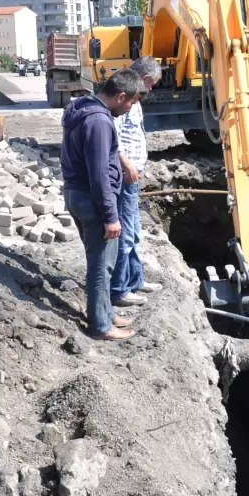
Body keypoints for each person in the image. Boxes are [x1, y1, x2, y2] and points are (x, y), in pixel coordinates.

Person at [60, 68, 145, 341]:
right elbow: (99, 174)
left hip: (77, 195)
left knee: (100, 259)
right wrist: (111, 216)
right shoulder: (98, 122)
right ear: (121, 96)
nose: (131, 107)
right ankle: (100, 325)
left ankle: (105, 312)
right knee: (102, 265)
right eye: (131, 102)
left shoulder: (81, 107)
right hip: (92, 199)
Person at [111, 57, 164, 309]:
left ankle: (135, 280)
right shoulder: (124, 102)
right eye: (152, 84)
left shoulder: (136, 101)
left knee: (135, 232)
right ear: (144, 79)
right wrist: (128, 164)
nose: (151, 89)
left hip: (132, 176)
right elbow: (114, 138)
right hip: (125, 176)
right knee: (126, 233)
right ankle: (120, 290)